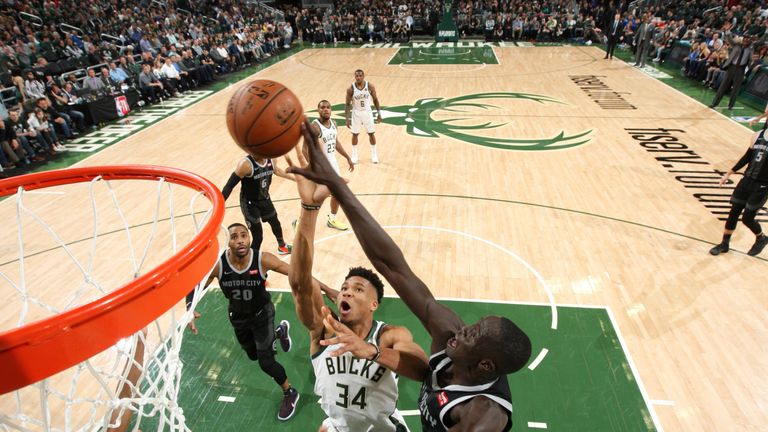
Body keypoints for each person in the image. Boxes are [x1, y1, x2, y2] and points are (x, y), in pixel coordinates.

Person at [287, 119, 532, 431]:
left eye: (472, 334)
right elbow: (391, 264)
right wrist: (336, 184)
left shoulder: (482, 417)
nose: (462, 329)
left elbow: (413, 359)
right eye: (472, 325)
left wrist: (375, 350)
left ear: (484, 365)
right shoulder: (449, 334)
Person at [286, 144, 428, 432]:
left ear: (374, 304)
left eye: (358, 289)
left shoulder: (389, 335)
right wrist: (310, 209)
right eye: (345, 287)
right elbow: (301, 284)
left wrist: (371, 351)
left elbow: (423, 368)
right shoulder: (324, 332)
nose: (347, 292)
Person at [185, 223, 300, 421]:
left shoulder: (262, 259)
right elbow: (195, 286)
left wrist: (327, 290)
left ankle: (290, 392)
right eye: (234, 237)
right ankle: (280, 332)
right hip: (238, 318)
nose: (240, 240)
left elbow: (299, 275)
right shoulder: (219, 265)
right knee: (253, 356)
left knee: (266, 362)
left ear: (249, 238)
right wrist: (189, 307)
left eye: (243, 235)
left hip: (262, 314)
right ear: (227, 242)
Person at [709, 123, 768, 257]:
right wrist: (729, 173)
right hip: (746, 180)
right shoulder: (757, 135)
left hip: (762, 185)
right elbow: (747, 157)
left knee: (747, 218)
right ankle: (724, 244)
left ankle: (761, 237)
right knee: (734, 212)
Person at [221, 156, 294, 254]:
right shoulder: (246, 165)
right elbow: (229, 186)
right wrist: (220, 204)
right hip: (249, 204)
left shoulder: (271, 159)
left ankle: (282, 246)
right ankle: (250, 261)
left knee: (276, 224)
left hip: (265, 199)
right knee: (258, 237)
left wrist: (296, 179)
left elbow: (276, 170)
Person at [313, 100, 354, 231]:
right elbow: (304, 149)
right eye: (322, 108)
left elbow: (335, 142)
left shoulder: (334, 124)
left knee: (336, 193)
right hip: (321, 167)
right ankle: (301, 221)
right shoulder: (315, 126)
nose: (325, 109)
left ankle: (332, 219)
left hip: (333, 164)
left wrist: (347, 157)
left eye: (328, 107)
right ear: (318, 110)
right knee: (317, 198)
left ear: (331, 110)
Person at [345, 69, 383, 164]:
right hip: (356, 112)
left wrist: (379, 113)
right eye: (357, 76)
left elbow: (375, 100)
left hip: (367, 112)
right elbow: (347, 105)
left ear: (363, 76)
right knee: (355, 134)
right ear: (355, 77)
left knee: (371, 133)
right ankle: (354, 156)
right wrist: (347, 118)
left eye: (360, 76)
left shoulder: (370, 86)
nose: (358, 77)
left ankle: (374, 155)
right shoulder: (351, 89)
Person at [710, 36, 753, 110]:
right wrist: (728, 31)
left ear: (749, 42)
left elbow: (761, 42)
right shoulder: (736, 45)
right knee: (723, 86)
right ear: (742, 40)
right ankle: (714, 103)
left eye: (747, 40)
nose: (745, 41)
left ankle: (731, 106)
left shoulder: (751, 49)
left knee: (735, 89)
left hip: (741, 69)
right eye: (744, 39)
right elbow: (730, 39)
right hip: (731, 67)